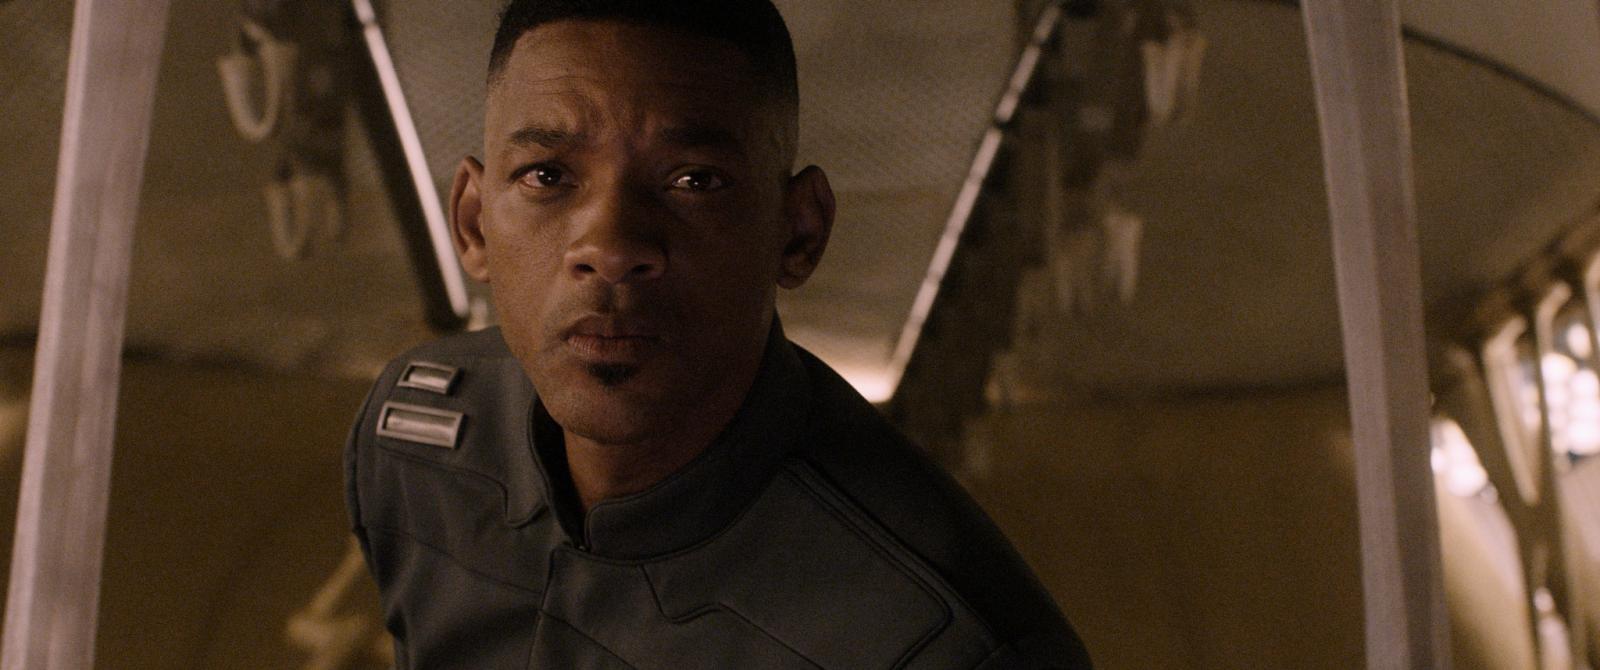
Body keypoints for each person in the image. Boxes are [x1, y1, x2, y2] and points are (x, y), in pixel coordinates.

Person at [344, 0, 1093, 667]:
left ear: (798, 234)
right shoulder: (414, 443)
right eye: (547, 175)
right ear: (474, 223)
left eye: (694, 180)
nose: (610, 246)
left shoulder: (936, 644)